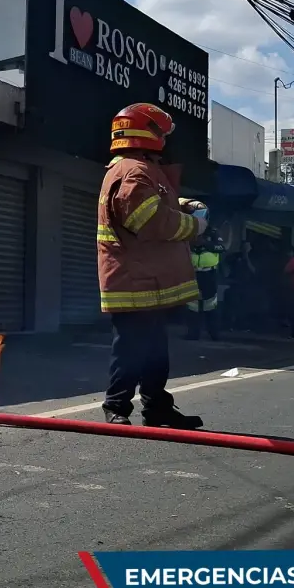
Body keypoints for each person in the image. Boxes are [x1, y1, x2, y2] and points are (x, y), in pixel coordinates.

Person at [96, 102, 207, 429]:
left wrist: (184, 203)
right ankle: (115, 406)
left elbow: (155, 203)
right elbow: (149, 220)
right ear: (149, 133)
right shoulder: (132, 171)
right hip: (135, 282)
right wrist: (194, 226)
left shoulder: (138, 168)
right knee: (131, 349)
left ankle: (157, 407)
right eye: (163, 133)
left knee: (155, 350)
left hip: (146, 280)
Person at [186, 227, 223, 341]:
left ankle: (214, 334)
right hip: (192, 273)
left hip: (209, 273)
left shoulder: (213, 232)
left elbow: (221, 248)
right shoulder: (189, 231)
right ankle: (193, 334)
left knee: (210, 304)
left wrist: (205, 243)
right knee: (192, 305)